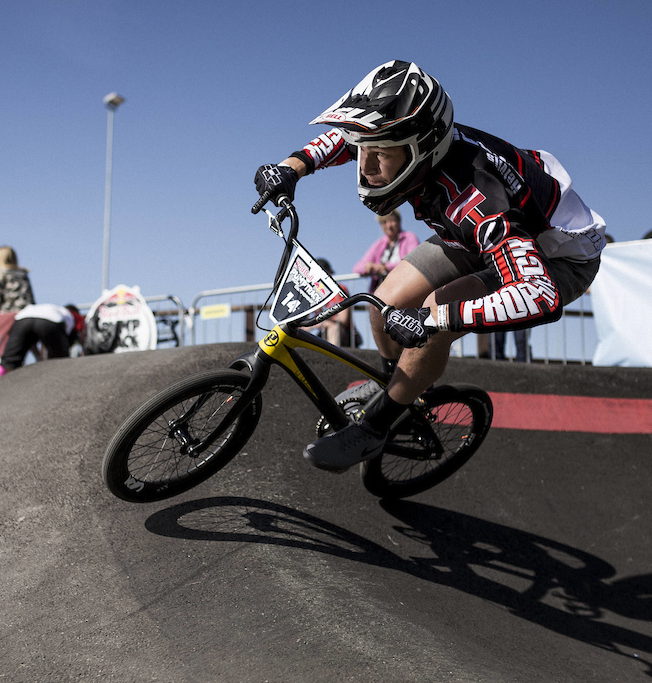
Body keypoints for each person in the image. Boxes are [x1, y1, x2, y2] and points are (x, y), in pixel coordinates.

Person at [255, 60, 605, 472]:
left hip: (554, 258)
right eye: (366, 152)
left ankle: (375, 427)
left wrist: (432, 320)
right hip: (473, 235)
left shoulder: (477, 201)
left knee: (437, 311)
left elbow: (537, 294)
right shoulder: (413, 136)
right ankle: (398, 387)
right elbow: (350, 138)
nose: (365, 168)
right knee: (383, 302)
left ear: (424, 150)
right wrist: (291, 168)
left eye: (380, 156)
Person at [0, 304, 85, 383]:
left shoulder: (51, 308)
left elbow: (31, 340)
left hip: (23, 318)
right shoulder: (71, 315)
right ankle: (59, 386)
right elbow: (71, 341)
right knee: (59, 361)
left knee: (8, 362)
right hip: (51, 320)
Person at [352, 209, 419, 293]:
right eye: (384, 222)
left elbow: (412, 262)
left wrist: (386, 267)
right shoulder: (379, 244)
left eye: (392, 221)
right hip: (380, 291)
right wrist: (369, 267)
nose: (389, 225)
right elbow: (357, 268)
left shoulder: (409, 238)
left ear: (398, 221)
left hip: (404, 289)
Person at [308, 260, 360, 348]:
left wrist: (311, 326)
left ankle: (331, 361)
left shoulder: (340, 290)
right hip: (324, 333)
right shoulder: (316, 293)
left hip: (345, 335)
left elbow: (342, 320)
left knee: (334, 327)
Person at [0, 246, 35, 314]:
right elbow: (30, 297)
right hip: (27, 312)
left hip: (9, 313)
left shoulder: (0, 275)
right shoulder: (23, 274)